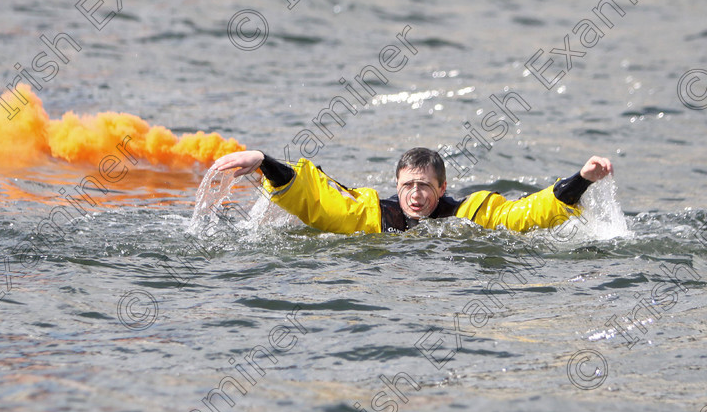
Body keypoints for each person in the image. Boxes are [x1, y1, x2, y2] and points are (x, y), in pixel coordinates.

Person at [210, 148, 613, 234]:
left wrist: (582, 179)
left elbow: (528, 213)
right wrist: (265, 161)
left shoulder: (466, 215)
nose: (415, 195)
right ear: (396, 187)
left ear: (442, 187)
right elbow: (318, 199)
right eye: (407, 186)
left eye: (424, 186)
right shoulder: (377, 216)